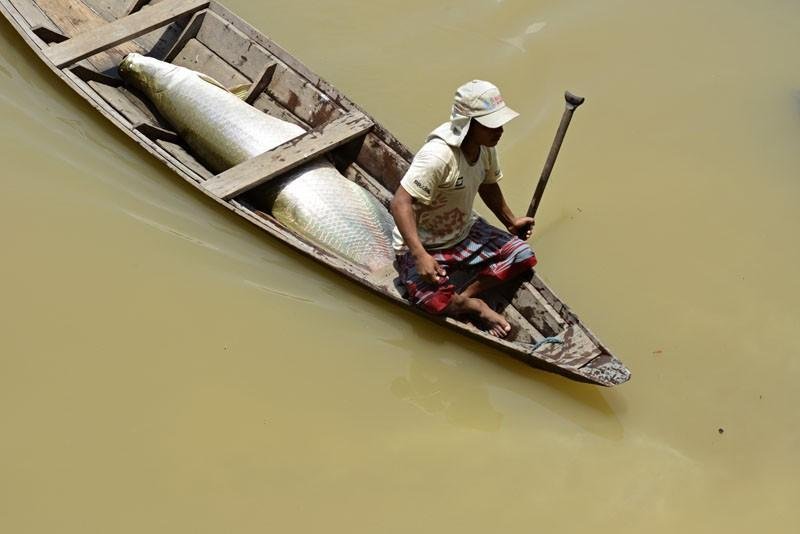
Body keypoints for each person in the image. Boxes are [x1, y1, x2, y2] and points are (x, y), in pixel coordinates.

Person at [391, 80, 537, 338]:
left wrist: (510, 221)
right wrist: (419, 254)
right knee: (431, 302)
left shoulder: (485, 149)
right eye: (492, 125)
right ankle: (473, 305)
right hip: (426, 243)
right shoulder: (438, 156)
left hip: (464, 231)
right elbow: (400, 202)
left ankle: (462, 296)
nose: (500, 130)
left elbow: (488, 185)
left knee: (522, 254)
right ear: (468, 124)